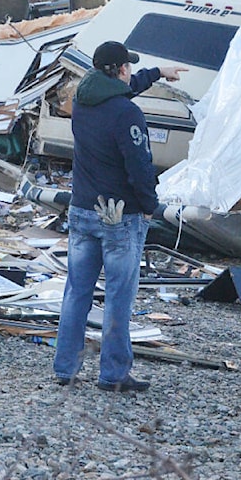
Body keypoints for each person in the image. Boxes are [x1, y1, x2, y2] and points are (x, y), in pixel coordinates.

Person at [53, 41, 187, 392]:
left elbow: (119, 90)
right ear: (122, 70)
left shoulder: (82, 100)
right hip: (119, 216)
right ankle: (113, 375)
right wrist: (148, 204)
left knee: (76, 292)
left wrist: (157, 74)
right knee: (118, 296)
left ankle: (65, 367)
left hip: (82, 209)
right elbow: (139, 167)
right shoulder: (127, 114)